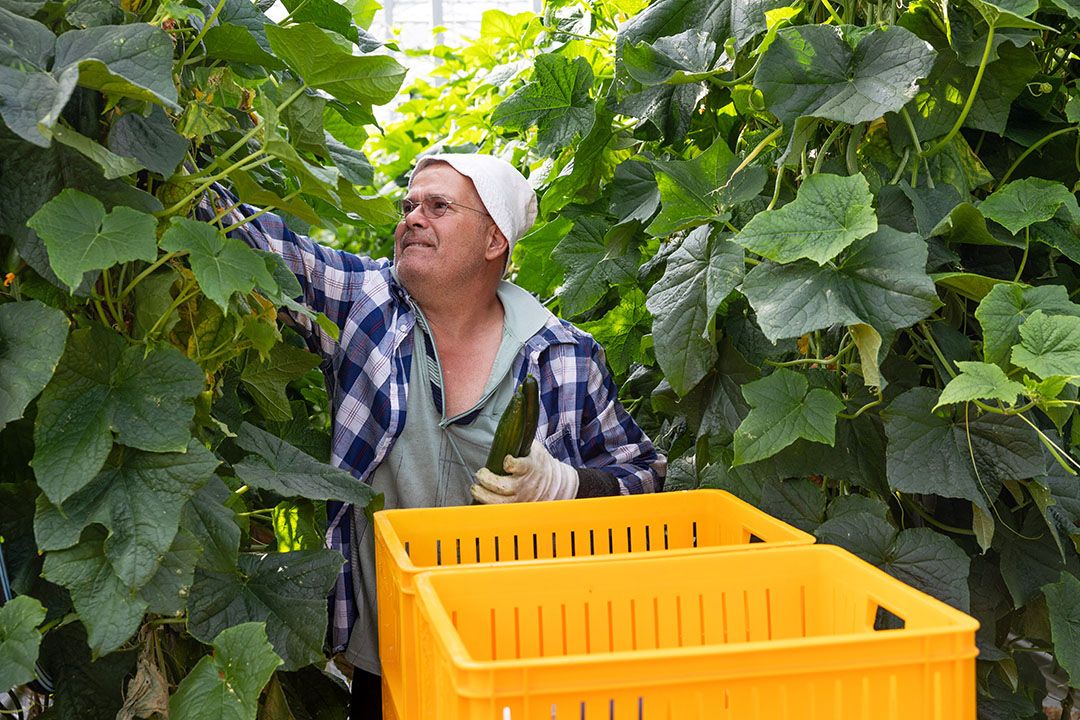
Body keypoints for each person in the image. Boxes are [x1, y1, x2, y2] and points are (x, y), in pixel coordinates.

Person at [199, 153, 665, 718]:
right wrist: (178, 149)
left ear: (494, 239)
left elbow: (644, 479)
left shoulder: (564, 355)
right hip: (387, 657)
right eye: (409, 205)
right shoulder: (366, 303)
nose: (413, 218)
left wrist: (566, 485)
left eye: (439, 207)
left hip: (521, 661)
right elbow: (262, 245)